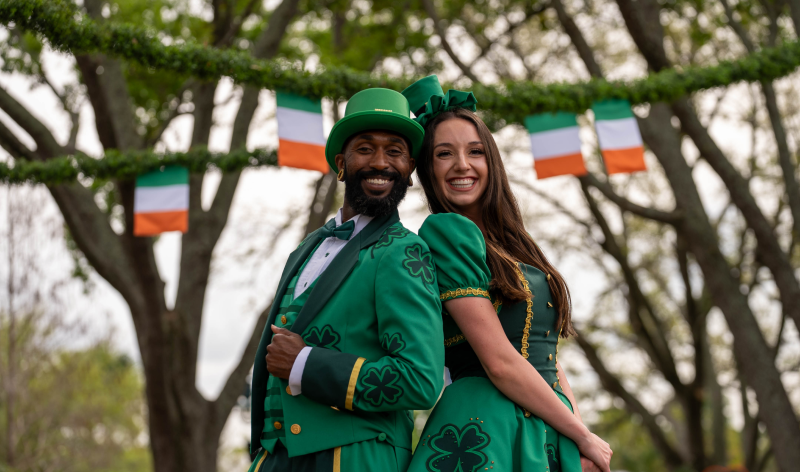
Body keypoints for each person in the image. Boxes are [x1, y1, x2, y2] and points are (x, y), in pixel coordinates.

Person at [402, 76, 613, 472]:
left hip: (543, 418)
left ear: (492, 161)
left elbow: (548, 358)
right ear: (428, 169)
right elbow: (499, 361)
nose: (462, 165)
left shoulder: (514, 245)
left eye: (475, 151)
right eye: (444, 154)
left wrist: (578, 436)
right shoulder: (447, 233)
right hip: (488, 424)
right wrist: (581, 435)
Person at [247, 87, 444, 472]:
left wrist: (305, 363)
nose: (380, 162)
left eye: (394, 151)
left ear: (409, 168)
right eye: (365, 149)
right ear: (341, 164)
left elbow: (420, 379)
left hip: (356, 458)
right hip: (274, 458)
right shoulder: (306, 247)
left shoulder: (404, 250)